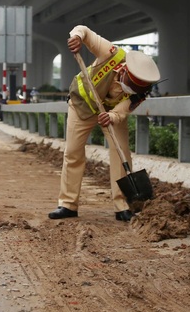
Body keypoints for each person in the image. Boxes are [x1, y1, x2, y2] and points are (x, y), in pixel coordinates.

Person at [49, 25, 160, 223]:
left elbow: (122, 111)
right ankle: (67, 204)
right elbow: (84, 31)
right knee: (73, 153)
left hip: (109, 113)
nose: (131, 90)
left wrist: (111, 117)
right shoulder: (111, 53)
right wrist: (76, 37)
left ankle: (122, 205)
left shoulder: (141, 91)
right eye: (130, 85)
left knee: (121, 153)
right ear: (125, 70)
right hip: (81, 106)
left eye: (136, 89)